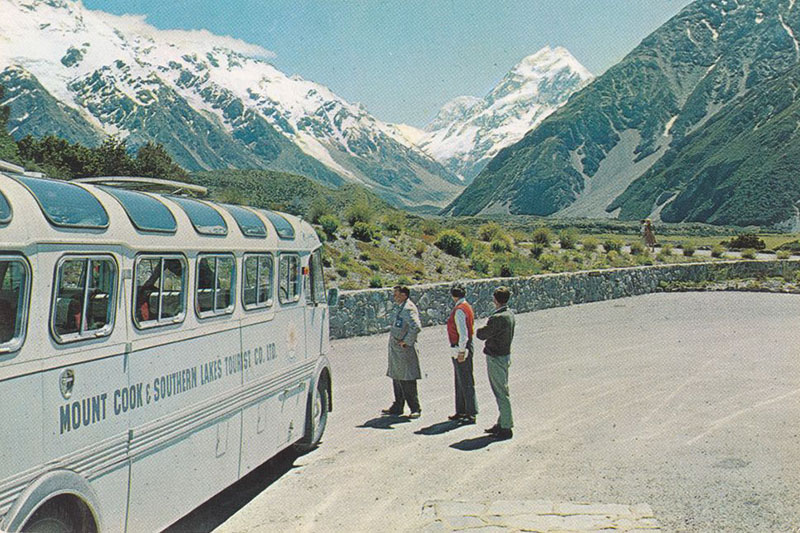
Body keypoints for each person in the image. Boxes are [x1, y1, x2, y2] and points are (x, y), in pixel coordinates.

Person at [476, 286, 515, 440]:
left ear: (495, 299)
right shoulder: (509, 314)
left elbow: (482, 334)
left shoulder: (498, 318)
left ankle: (506, 426)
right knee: (502, 389)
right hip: (504, 355)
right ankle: (502, 422)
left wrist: (479, 330)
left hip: (496, 357)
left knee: (500, 392)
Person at [382, 285, 423, 418]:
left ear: (404, 295)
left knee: (407, 379)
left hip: (404, 350)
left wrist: (406, 341)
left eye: (396, 294)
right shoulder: (401, 307)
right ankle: (398, 406)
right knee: (397, 377)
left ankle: (415, 408)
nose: (394, 297)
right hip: (397, 350)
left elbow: (416, 327)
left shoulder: (408, 308)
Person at [446, 282, 477, 424]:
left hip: (461, 346)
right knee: (461, 379)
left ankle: (470, 412)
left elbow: (463, 334)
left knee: (465, 379)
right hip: (464, 345)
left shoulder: (459, 310)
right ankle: (462, 410)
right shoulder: (467, 306)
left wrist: (461, 351)